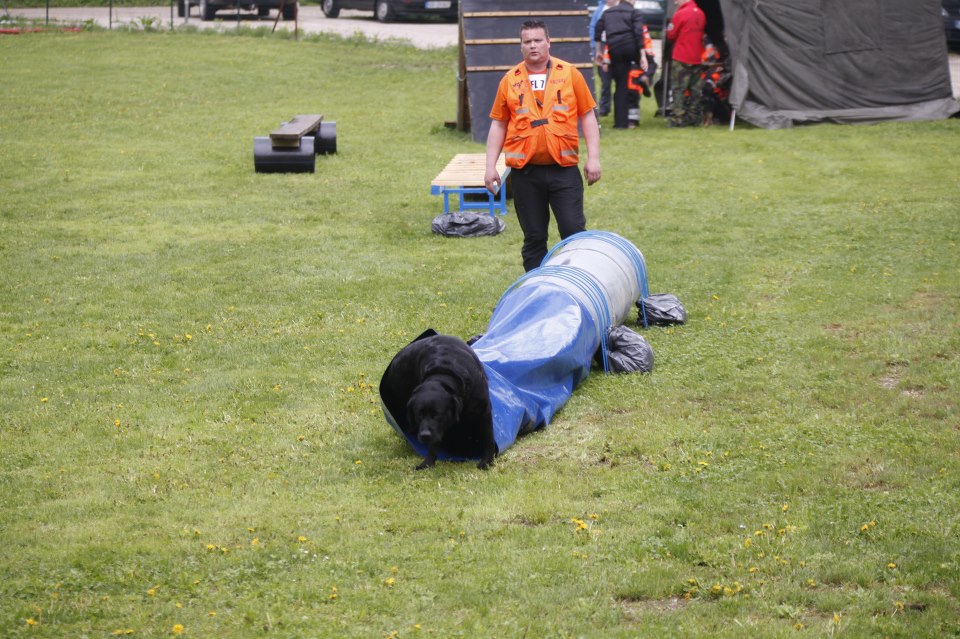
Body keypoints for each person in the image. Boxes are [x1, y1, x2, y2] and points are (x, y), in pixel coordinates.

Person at [484, 20, 602, 272]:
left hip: (563, 170)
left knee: (573, 231)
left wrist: (594, 158)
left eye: (538, 40)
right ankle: (535, 286)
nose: (533, 46)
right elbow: (499, 124)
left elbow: (588, 116)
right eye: (527, 41)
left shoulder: (569, 73)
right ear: (521, 46)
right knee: (534, 236)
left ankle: (576, 282)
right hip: (526, 173)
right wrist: (490, 166)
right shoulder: (510, 80)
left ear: (549, 42)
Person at [594, 0, 645, 129]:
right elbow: (639, 33)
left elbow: (598, 30)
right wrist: (643, 56)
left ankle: (620, 123)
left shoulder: (607, 13)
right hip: (632, 48)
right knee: (643, 70)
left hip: (615, 49)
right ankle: (644, 79)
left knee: (621, 86)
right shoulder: (635, 12)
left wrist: (598, 51)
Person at [665, 0, 706, 128]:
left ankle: (678, 117)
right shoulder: (701, 13)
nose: (675, 2)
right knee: (695, 89)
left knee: (678, 89)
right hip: (696, 56)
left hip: (681, 56)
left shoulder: (680, 13)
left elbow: (670, 34)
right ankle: (694, 117)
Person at [589, 0, 618, 116]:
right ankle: (605, 107)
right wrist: (595, 47)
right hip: (602, 45)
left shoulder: (621, 8)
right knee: (605, 80)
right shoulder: (600, 10)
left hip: (617, 45)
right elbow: (593, 27)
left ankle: (620, 108)